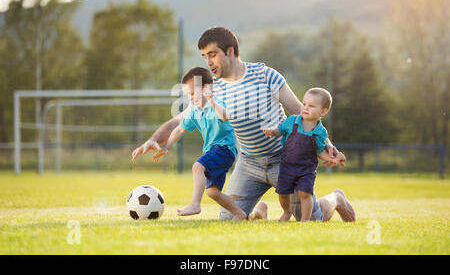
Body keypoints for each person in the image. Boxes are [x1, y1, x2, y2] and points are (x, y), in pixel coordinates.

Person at [131, 26, 356, 223]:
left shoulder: (266, 75)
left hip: (283, 159)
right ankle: (259, 209)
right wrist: (154, 139)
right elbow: (178, 120)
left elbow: (299, 111)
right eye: (204, 56)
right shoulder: (213, 88)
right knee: (229, 217)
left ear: (230, 51)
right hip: (248, 163)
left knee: (311, 217)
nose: (208, 62)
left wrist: (327, 144)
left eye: (212, 54)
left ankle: (336, 198)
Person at [150, 66, 247, 221]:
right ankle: (240, 214)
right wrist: (166, 147)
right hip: (212, 151)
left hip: (225, 149)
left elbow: (224, 117)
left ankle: (195, 204)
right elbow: (179, 130)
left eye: (193, 93)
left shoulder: (216, 104)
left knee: (197, 166)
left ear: (206, 88)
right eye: (188, 94)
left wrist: (211, 100)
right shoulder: (195, 111)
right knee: (212, 192)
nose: (190, 98)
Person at [263, 87, 346, 222]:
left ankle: (305, 220)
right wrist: (272, 132)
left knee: (305, 194)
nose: (305, 108)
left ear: (323, 111)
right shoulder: (292, 121)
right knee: (283, 193)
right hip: (287, 167)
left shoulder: (320, 132)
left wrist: (334, 160)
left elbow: (319, 151)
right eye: (304, 104)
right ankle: (287, 212)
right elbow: (280, 130)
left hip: (306, 170)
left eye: (311, 106)